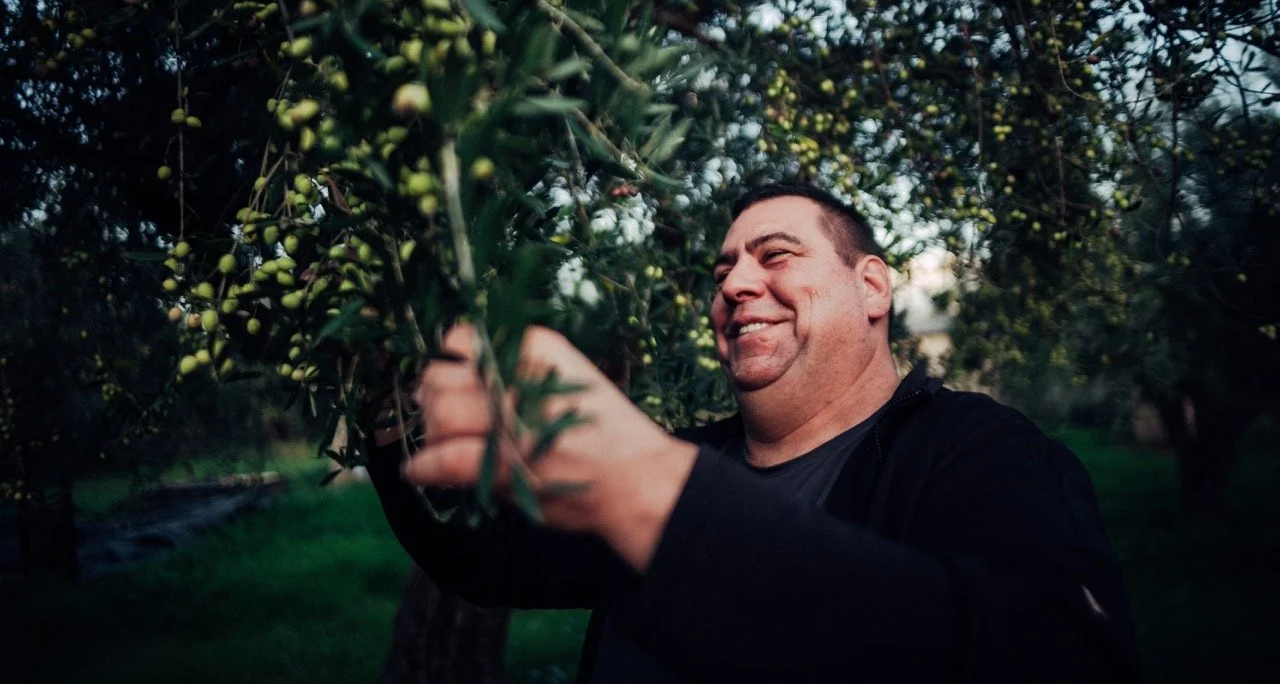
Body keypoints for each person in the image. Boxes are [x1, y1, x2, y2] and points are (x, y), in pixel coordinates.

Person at [367, 182, 1138, 682]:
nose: (734, 284)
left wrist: (648, 490)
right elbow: (485, 555)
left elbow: (1061, 658)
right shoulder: (698, 456)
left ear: (871, 285)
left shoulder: (979, 452)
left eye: (775, 255)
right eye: (724, 270)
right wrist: (387, 405)